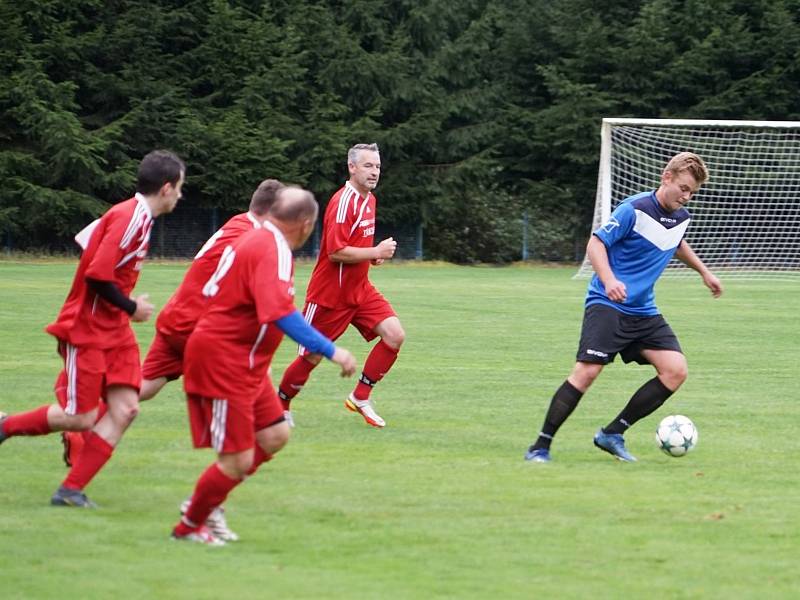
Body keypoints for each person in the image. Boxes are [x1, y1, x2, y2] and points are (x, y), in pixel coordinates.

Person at [59, 178, 285, 539]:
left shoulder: (237, 223)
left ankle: (79, 430)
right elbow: (244, 292)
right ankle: (209, 507)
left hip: (177, 318)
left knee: (137, 391)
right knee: (268, 429)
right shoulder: (254, 238)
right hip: (206, 332)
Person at [172, 186, 357, 545]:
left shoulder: (259, 238)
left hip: (247, 361)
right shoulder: (271, 248)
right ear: (305, 225)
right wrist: (329, 349)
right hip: (224, 360)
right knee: (236, 459)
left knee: (275, 434)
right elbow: (279, 312)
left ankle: (208, 504)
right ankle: (191, 522)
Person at [0, 150, 185, 506]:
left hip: (114, 330)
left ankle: (70, 490)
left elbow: (88, 241)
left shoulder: (138, 218)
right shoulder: (129, 216)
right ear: (166, 188)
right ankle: (6, 427)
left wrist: (123, 311)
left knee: (127, 408)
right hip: (87, 329)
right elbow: (97, 274)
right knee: (80, 418)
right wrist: (132, 307)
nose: (181, 194)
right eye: (180, 187)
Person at [524, 152, 723, 463]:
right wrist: (610, 280)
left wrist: (704, 271)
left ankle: (612, 433)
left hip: (643, 310)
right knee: (587, 372)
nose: (687, 197)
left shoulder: (681, 217)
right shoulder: (635, 209)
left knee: (675, 371)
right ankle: (540, 446)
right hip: (607, 303)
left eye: (692, 193)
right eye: (683, 188)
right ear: (666, 177)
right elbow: (596, 244)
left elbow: (676, 241)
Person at [277, 143, 405, 428]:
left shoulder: (369, 200)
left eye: (378, 167)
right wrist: (375, 252)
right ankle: (280, 404)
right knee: (312, 356)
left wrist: (372, 258)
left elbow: (355, 245)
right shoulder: (342, 201)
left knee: (394, 336)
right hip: (330, 295)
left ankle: (360, 396)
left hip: (359, 290)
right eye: (368, 166)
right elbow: (335, 252)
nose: (374, 172)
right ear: (352, 167)